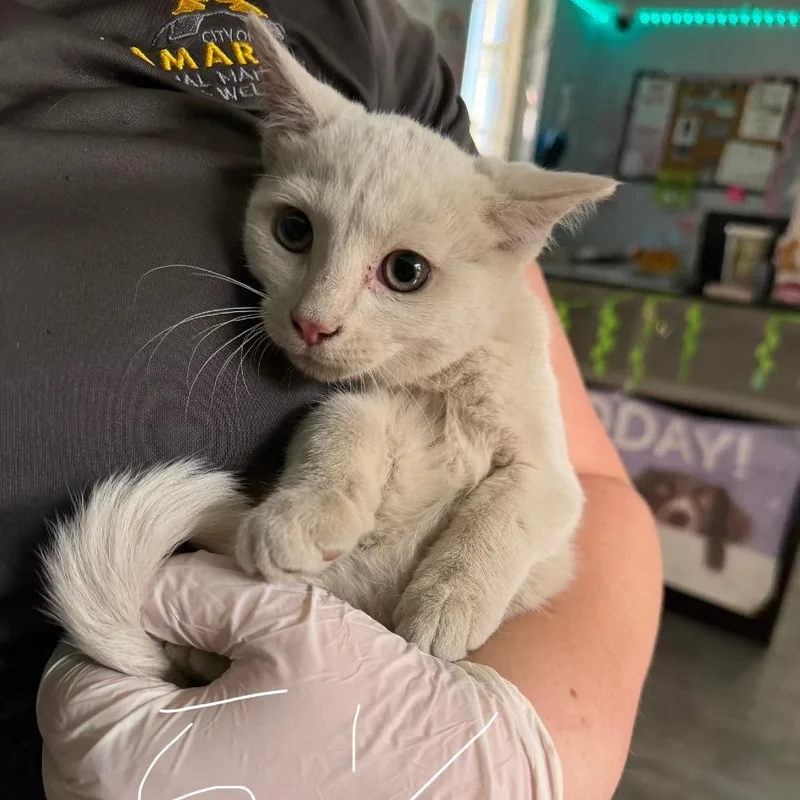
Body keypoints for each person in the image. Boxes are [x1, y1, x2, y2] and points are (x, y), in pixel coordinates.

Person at [1, 0, 663, 797]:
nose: (318, 316)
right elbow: (371, 422)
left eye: (405, 274)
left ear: (510, 248)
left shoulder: (377, 42)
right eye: (295, 234)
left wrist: (511, 760)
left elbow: (573, 484)